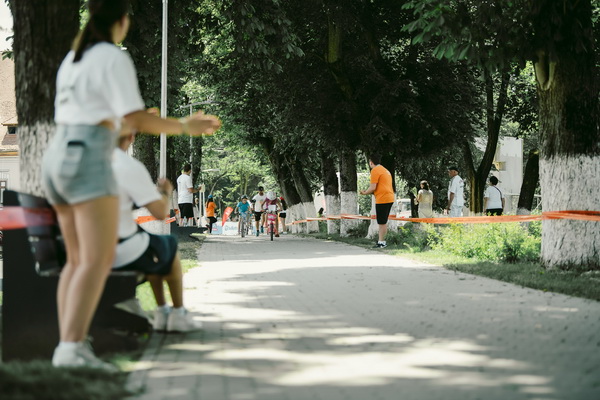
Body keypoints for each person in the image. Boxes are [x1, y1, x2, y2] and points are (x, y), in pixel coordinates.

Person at [41, 0, 220, 371]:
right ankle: (72, 349)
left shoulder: (73, 59)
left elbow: (106, 116)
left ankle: (69, 346)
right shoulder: (112, 56)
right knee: (95, 260)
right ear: (121, 22)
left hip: (57, 159)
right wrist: (183, 126)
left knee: (77, 261)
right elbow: (135, 118)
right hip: (89, 158)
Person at [112, 129, 202, 332]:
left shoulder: (80, 161)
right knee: (166, 246)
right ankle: (176, 313)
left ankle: (162, 310)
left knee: (152, 246)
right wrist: (165, 192)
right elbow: (160, 212)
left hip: (79, 250)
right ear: (130, 137)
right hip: (118, 250)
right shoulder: (125, 165)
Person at [359, 154, 395, 248]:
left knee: (381, 222)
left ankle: (382, 242)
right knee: (383, 221)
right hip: (389, 197)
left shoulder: (375, 170)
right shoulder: (385, 170)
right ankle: (382, 241)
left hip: (382, 199)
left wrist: (365, 192)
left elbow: (373, 187)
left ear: (371, 162)